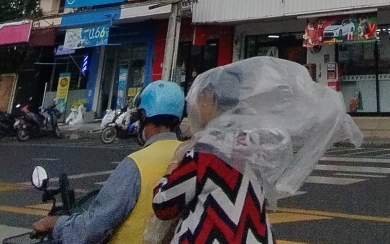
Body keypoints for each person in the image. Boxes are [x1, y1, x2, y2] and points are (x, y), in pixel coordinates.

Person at [151, 57, 362, 244]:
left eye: (198, 100)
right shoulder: (254, 141)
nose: (195, 107)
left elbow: (164, 205)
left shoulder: (206, 149)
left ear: (208, 98)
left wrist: (172, 167)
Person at [31, 80, 184, 244]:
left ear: (144, 116)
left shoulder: (136, 164)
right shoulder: (189, 153)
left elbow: (94, 226)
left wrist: (55, 223)